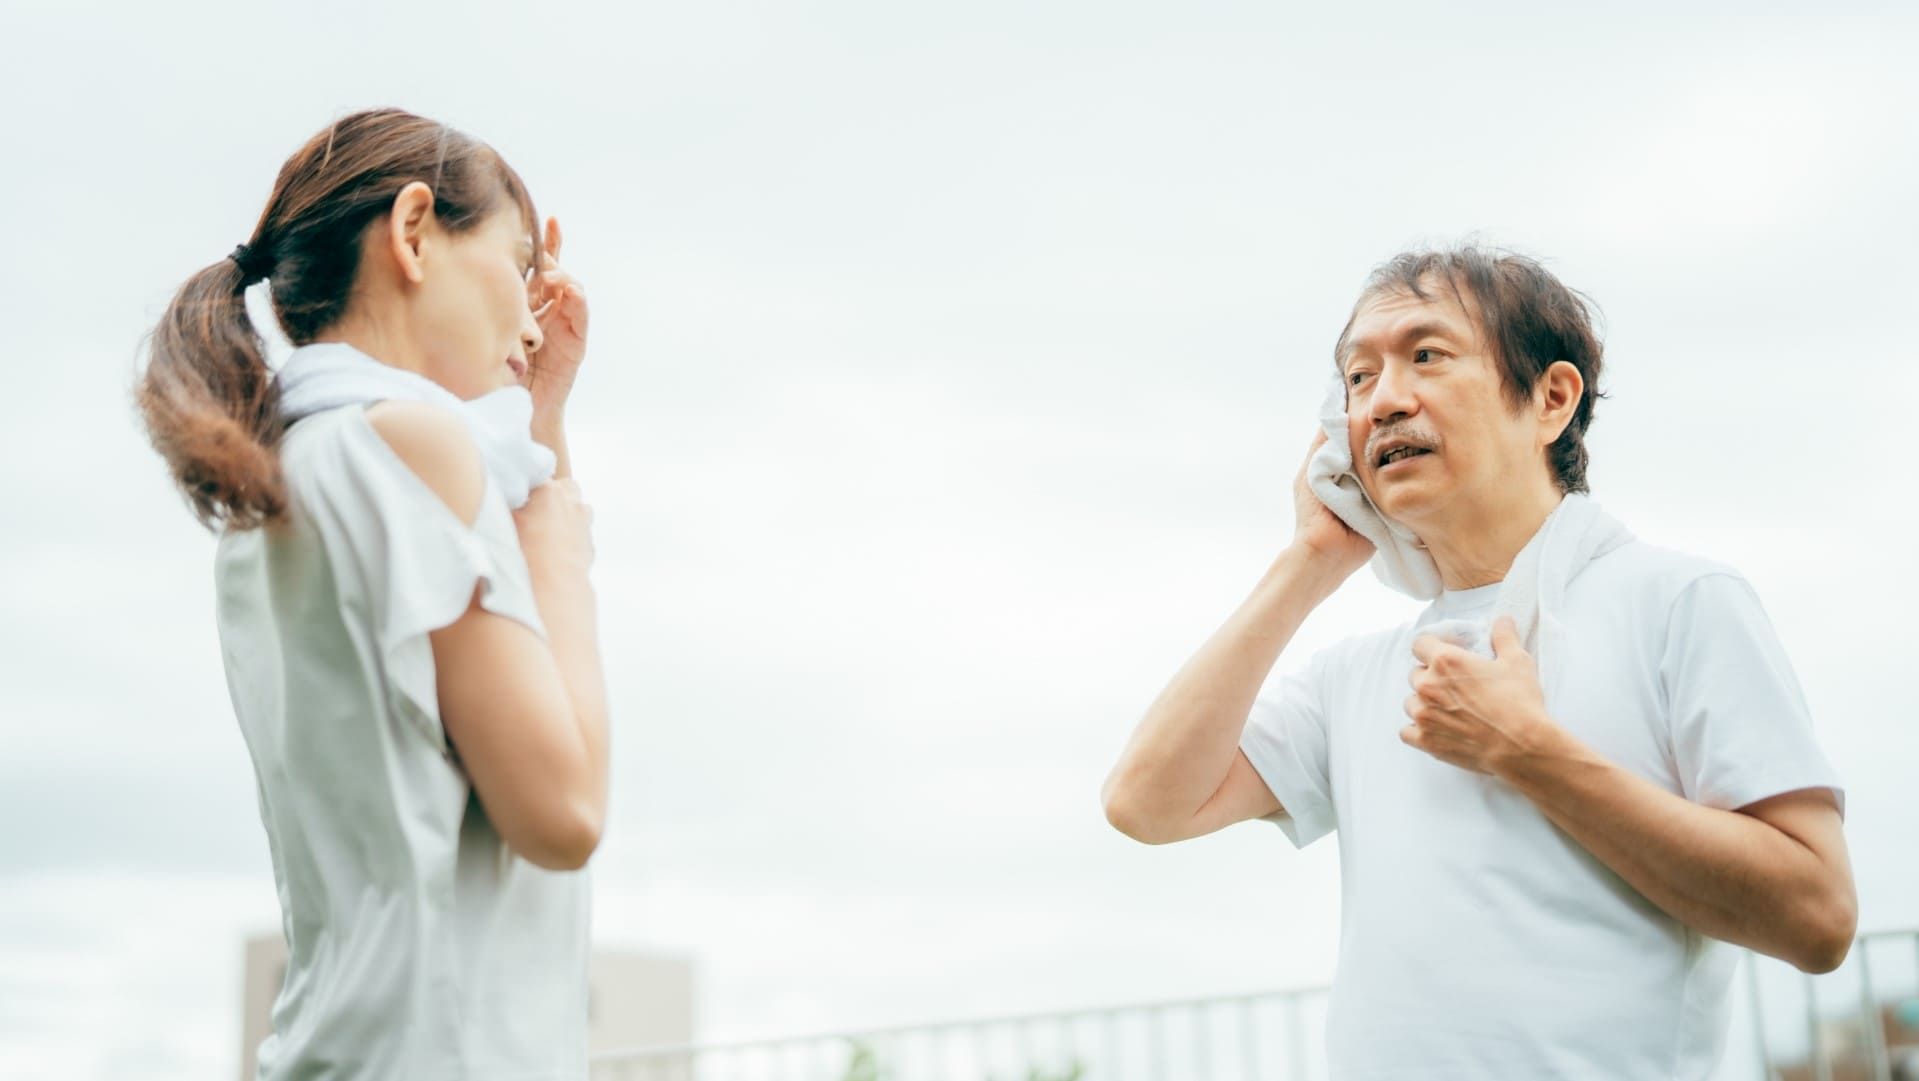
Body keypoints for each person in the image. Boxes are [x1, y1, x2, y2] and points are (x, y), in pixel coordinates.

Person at [1100, 246, 1856, 1080]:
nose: (1383, 400)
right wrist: (1308, 561)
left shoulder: (1679, 599)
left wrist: (1531, 755)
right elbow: (1146, 802)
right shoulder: (1355, 674)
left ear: (1550, 399)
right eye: (1357, 378)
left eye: (1425, 355)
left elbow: (1816, 917)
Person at [136, 108, 607, 1079]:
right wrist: (558, 547)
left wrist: (544, 417)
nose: (531, 318)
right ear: (412, 231)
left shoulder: (287, 469)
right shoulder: (415, 450)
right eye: (517, 265)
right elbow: (562, 810)